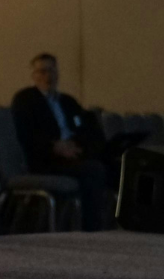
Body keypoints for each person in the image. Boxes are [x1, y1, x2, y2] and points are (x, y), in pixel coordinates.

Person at [10, 54, 108, 231]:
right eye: (42, 71)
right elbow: (26, 135)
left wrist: (75, 144)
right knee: (93, 170)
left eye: (52, 71)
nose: (48, 76)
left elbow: (85, 129)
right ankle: (92, 227)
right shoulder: (25, 100)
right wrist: (54, 147)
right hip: (47, 159)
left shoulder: (68, 101)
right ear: (34, 76)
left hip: (74, 153)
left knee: (112, 163)